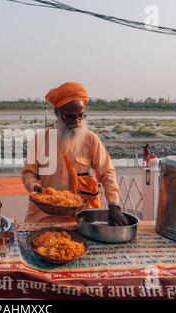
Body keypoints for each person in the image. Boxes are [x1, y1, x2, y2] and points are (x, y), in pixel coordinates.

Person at [21, 82, 128, 226]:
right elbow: (28, 173)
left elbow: (107, 172)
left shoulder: (91, 139)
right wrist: (35, 186)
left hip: (81, 217)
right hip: (44, 215)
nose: (76, 121)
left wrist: (114, 204)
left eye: (80, 115)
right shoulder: (41, 139)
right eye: (69, 116)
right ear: (57, 113)